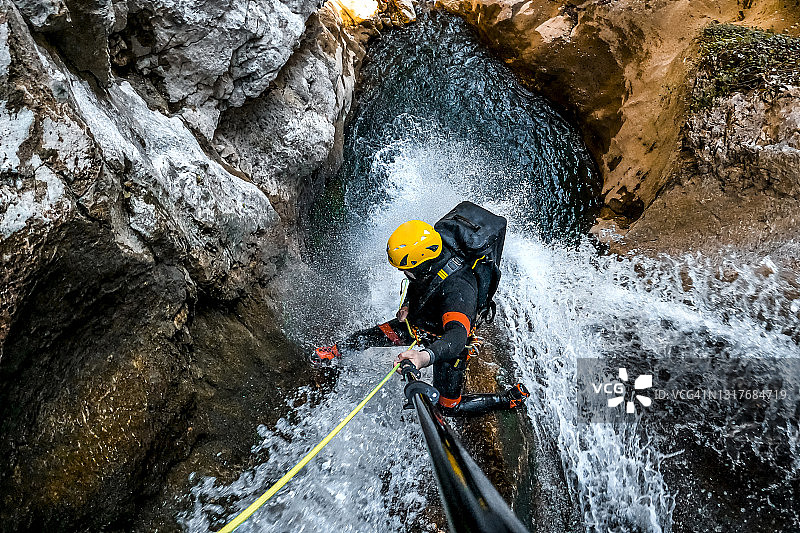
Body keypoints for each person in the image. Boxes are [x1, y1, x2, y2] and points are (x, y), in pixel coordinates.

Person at [317, 218, 529, 416]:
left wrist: (422, 357)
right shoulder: (432, 256)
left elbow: (456, 337)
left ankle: (506, 399)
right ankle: (334, 351)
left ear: (421, 263)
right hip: (419, 322)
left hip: (444, 341)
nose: (403, 273)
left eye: (406, 269)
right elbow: (420, 281)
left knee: (448, 407)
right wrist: (408, 304)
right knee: (371, 336)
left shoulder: (459, 289)